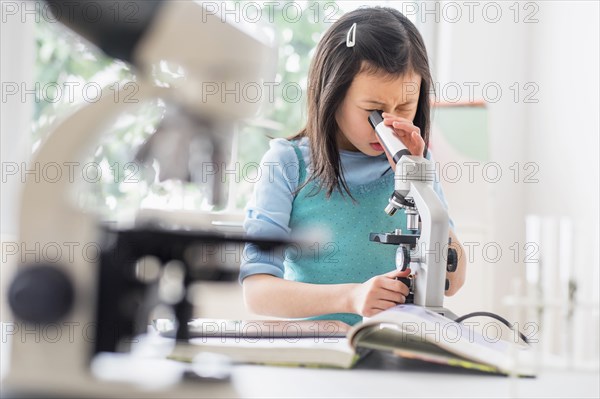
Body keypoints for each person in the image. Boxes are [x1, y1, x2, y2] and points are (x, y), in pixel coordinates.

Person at [240, 7, 466, 326]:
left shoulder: (416, 163)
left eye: (404, 108)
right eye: (374, 111)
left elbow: (453, 281)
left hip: (390, 348)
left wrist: (417, 177)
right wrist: (352, 297)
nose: (389, 125)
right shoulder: (287, 164)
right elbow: (257, 292)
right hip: (316, 350)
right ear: (333, 96)